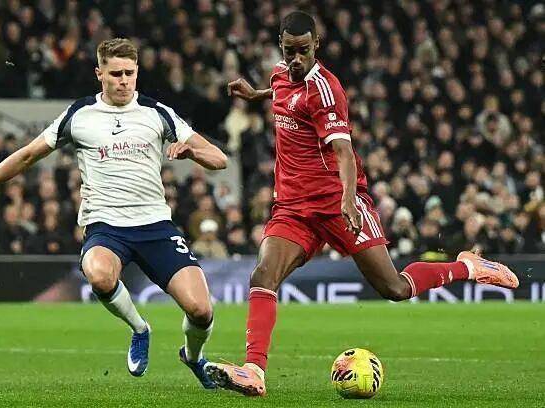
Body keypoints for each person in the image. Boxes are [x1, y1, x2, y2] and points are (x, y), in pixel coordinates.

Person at [204, 11, 519, 397]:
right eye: (289, 51)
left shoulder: (326, 90)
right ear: (281, 47)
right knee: (262, 276)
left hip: (336, 202)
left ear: (316, 45)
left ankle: (467, 266)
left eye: (304, 51)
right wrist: (257, 95)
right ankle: (254, 371)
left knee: (394, 287)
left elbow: (344, 153)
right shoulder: (279, 75)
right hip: (293, 207)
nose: (296, 59)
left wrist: (349, 200)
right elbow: (284, 92)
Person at [0, 38, 228, 389]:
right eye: (116, 74)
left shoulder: (157, 112)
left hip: (155, 225)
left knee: (201, 310)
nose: (124, 81)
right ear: (99, 74)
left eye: (129, 73)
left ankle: (193, 356)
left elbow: (220, 159)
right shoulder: (80, 115)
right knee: (98, 274)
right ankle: (140, 328)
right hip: (106, 226)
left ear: (137, 72)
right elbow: (27, 155)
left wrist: (192, 153)